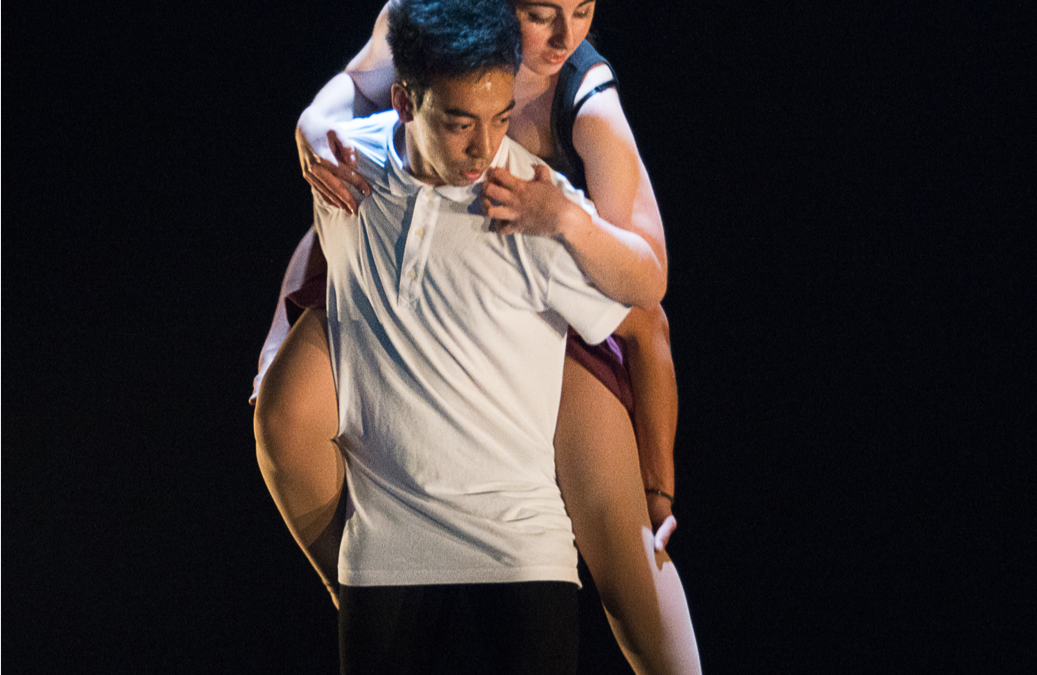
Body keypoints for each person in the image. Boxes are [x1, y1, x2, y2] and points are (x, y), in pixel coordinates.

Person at [255, 1, 702, 673]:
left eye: (581, 11)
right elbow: (345, 93)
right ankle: (364, 585)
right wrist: (313, 126)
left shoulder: (580, 101)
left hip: (532, 252)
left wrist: (658, 486)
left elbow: (647, 296)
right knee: (284, 414)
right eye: (539, 12)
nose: (564, 35)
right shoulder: (411, 42)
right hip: (393, 257)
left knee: (623, 549)